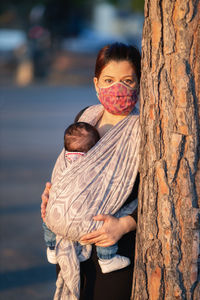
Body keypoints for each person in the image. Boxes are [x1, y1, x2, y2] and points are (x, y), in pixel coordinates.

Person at [41, 42, 141, 300]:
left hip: (114, 246)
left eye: (127, 80)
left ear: (140, 84)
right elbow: (72, 168)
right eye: (108, 80)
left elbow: (162, 194)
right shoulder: (86, 117)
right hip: (70, 243)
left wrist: (123, 225)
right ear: (96, 84)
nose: (117, 88)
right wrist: (55, 197)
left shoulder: (145, 129)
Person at [43, 121, 130, 273]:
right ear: (94, 148)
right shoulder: (93, 160)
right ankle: (107, 258)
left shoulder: (66, 157)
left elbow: (58, 178)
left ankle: (51, 248)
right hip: (87, 222)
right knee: (106, 219)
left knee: (49, 219)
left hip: (60, 215)